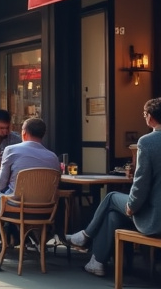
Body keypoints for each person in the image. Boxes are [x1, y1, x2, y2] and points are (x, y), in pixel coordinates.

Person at [66, 97, 161, 277]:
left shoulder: (147, 142)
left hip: (154, 218)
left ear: (149, 117)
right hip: (155, 212)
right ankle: (97, 262)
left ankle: (85, 235)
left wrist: (132, 206)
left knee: (111, 197)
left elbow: (141, 183)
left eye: (144, 114)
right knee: (112, 216)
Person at [0, 118, 60, 271]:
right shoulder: (53, 157)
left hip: (16, 206)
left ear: (24, 133)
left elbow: (0, 186)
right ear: (43, 135)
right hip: (45, 211)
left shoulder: (12, 150)